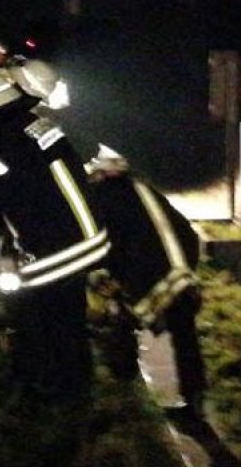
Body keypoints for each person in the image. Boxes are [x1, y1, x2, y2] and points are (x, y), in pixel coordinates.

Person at [0, 64, 110, 399]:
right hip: (88, 241)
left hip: (52, 254)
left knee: (33, 320)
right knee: (70, 321)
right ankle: (77, 390)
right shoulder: (40, 126)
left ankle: (38, 388)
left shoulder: (1, 149)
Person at [84, 145, 209, 423]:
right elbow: (185, 231)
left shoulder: (101, 198)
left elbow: (107, 245)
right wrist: (186, 270)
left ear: (100, 174)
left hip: (144, 277)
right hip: (180, 274)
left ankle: (127, 387)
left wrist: (111, 281)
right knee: (185, 336)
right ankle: (195, 397)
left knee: (122, 321)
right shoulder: (145, 189)